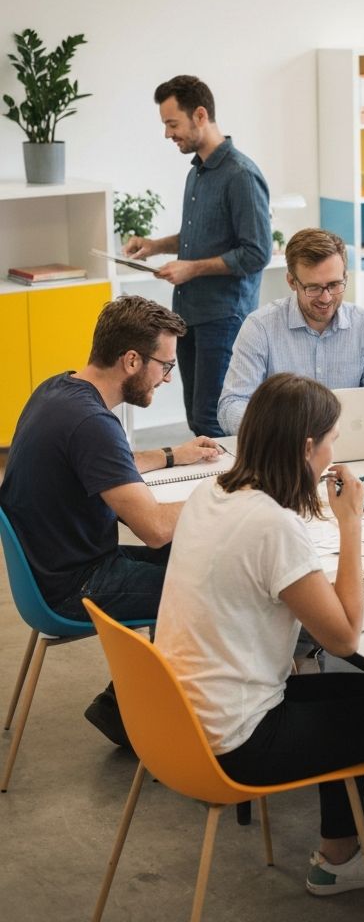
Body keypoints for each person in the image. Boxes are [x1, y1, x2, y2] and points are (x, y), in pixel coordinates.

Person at [155, 373, 364, 919]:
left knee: (357, 696)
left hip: (180, 721)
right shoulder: (272, 526)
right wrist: (348, 524)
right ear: (305, 448)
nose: (334, 452)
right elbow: (343, 638)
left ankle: (339, 856)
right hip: (237, 740)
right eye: (332, 440)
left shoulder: (212, 491)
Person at [0, 295, 222, 745]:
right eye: (165, 365)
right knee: (212, 588)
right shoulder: (91, 422)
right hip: (74, 585)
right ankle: (189, 726)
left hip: (51, 568)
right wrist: (230, 495)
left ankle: (122, 706)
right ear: (132, 360)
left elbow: (106, 463)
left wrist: (169, 455)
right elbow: (155, 527)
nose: (166, 377)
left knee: (192, 557)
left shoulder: (60, 389)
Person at [123, 74, 272, 438]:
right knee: (197, 418)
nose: (168, 134)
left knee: (213, 418)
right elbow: (200, 236)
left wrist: (192, 269)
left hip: (224, 317)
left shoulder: (240, 175)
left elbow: (256, 252)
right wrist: (156, 245)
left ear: (200, 115)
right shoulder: (198, 173)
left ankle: (231, 492)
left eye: (172, 124)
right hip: (189, 316)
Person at [217, 228, 364, 434]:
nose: (326, 298)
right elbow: (232, 404)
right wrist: (274, 434)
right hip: (281, 451)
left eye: (335, 284)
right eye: (314, 288)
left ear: (345, 276)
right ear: (292, 282)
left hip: (350, 447)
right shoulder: (260, 327)